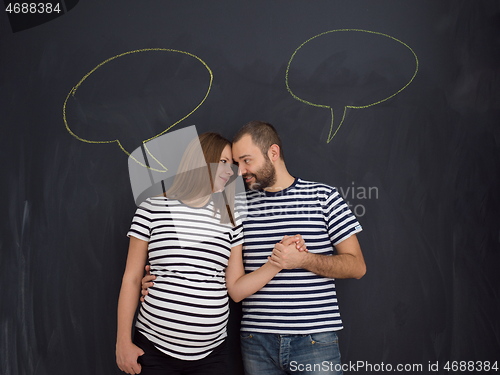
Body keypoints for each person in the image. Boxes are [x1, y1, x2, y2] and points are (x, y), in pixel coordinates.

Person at [142, 121, 366, 375]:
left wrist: (304, 260)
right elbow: (198, 255)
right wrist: (160, 281)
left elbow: (357, 266)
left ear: (273, 152)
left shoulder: (323, 197)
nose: (240, 172)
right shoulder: (234, 207)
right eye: (236, 164)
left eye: (246, 161)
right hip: (256, 342)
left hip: (314, 339)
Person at [116, 131, 305, 375]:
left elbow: (235, 289)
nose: (233, 171)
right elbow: (131, 278)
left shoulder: (230, 217)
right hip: (153, 348)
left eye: (234, 165)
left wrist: (276, 263)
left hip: (212, 355)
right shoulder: (153, 207)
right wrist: (123, 341)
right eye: (224, 162)